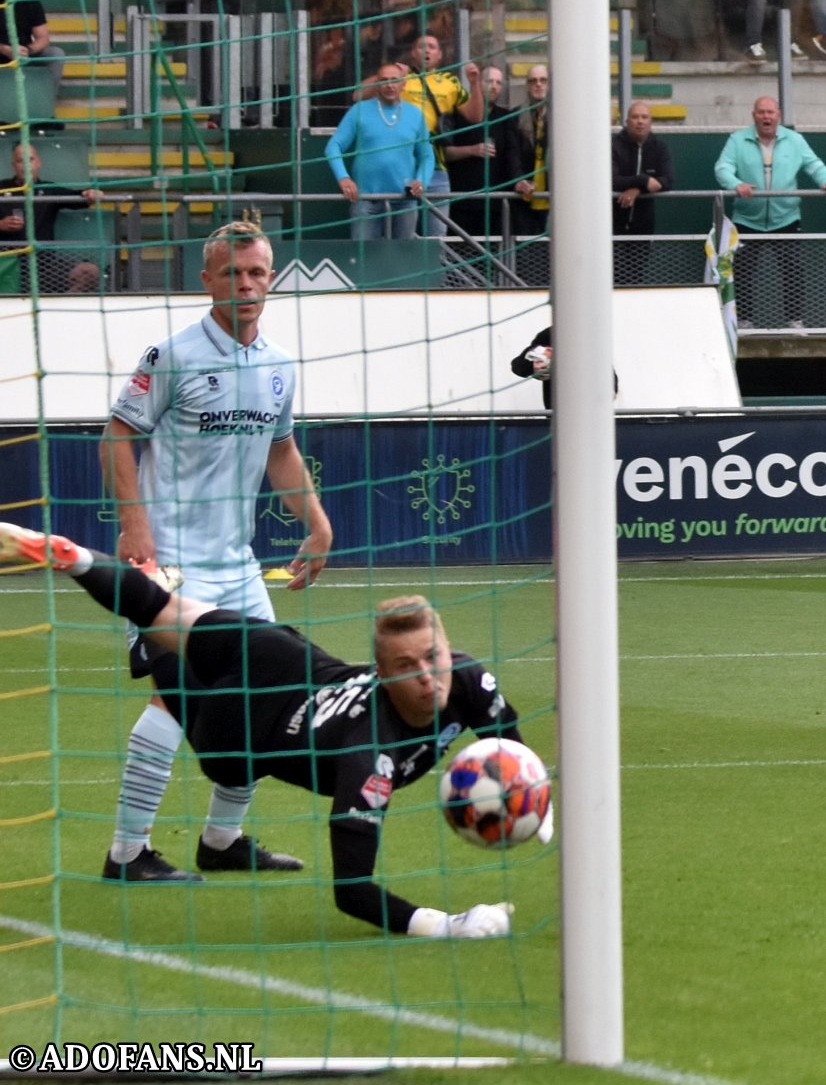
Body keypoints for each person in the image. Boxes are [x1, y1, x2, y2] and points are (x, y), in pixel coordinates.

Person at [0, 524, 530, 934]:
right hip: (240, 724)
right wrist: (445, 925)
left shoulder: (468, 678)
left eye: (434, 656)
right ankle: (71, 557)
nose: (428, 675)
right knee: (159, 621)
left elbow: (511, 752)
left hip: (295, 665)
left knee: (166, 609)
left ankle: (220, 842)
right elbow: (351, 890)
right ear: (383, 674)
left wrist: (531, 810)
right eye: (407, 667)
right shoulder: (369, 757)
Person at [94, 222, 330, 882]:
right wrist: (134, 525)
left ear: (271, 278)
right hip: (174, 565)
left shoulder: (280, 365)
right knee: (178, 698)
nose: (248, 285)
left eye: (258, 273)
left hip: (238, 564)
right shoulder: (172, 355)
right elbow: (116, 437)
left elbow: (280, 451)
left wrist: (317, 522)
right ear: (209, 280)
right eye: (234, 273)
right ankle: (127, 853)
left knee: (261, 693)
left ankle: (222, 841)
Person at [713, 98, 826, 329]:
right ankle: (743, 321)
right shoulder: (737, 139)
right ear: (753, 115)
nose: (766, 117)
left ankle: (794, 320)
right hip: (747, 219)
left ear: (778, 115)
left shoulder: (794, 140)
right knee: (742, 269)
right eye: (761, 112)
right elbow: (722, 168)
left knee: (792, 268)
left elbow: (814, 165)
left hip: (786, 218)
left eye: (770, 112)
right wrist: (736, 184)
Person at [327, 64, 433, 241]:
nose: (390, 85)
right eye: (384, 81)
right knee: (364, 259)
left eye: (395, 80)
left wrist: (421, 180)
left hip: (404, 199)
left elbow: (427, 156)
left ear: (403, 84)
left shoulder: (415, 114)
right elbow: (333, 146)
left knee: (404, 258)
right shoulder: (359, 110)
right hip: (366, 199)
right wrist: (343, 178)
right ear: (376, 85)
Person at [386, 33, 485, 215]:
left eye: (432, 46)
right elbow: (359, 94)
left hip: (437, 167)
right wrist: (392, 75)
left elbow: (475, 117)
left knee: (437, 233)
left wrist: (475, 83)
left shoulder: (450, 82)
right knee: (403, 231)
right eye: (421, 46)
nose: (426, 50)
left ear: (440, 54)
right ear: (412, 53)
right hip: (403, 166)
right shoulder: (401, 78)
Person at [442, 65, 523, 241]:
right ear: (479, 83)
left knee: (494, 256)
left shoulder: (506, 117)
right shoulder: (459, 114)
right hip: (463, 201)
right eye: (489, 81)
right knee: (462, 255)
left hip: (495, 202)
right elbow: (445, 153)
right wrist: (472, 150)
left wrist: (518, 181)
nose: (494, 86)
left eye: (498, 83)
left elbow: (512, 154)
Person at [0, 143, 105, 250]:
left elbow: (78, 198)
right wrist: (1, 225)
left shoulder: (49, 189)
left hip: (43, 259)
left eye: (30, 159)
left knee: (90, 267)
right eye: (20, 161)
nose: (26, 165)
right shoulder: (2, 188)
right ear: (14, 166)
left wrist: (91, 194)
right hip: (7, 260)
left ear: (38, 163)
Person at [612, 102, 674, 279]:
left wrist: (638, 190)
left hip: (643, 226)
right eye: (635, 117)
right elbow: (611, 180)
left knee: (636, 278)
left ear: (650, 122)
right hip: (613, 226)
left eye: (644, 117)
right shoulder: (613, 145)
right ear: (627, 121)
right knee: (615, 277)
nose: (640, 121)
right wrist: (643, 180)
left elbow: (668, 180)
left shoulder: (659, 147)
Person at [0, 0, 64, 88]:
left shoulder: (29, 0)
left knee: (56, 54)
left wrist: (28, 50)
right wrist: (5, 50)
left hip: (24, 54)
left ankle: (47, 100)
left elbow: (43, 38)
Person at [511, 65, 550, 247]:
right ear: (527, 86)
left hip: (554, 196)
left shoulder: (563, 116)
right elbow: (513, 152)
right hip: (525, 197)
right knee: (526, 253)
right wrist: (518, 180)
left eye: (543, 80)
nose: (538, 85)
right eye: (533, 81)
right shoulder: (516, 117)